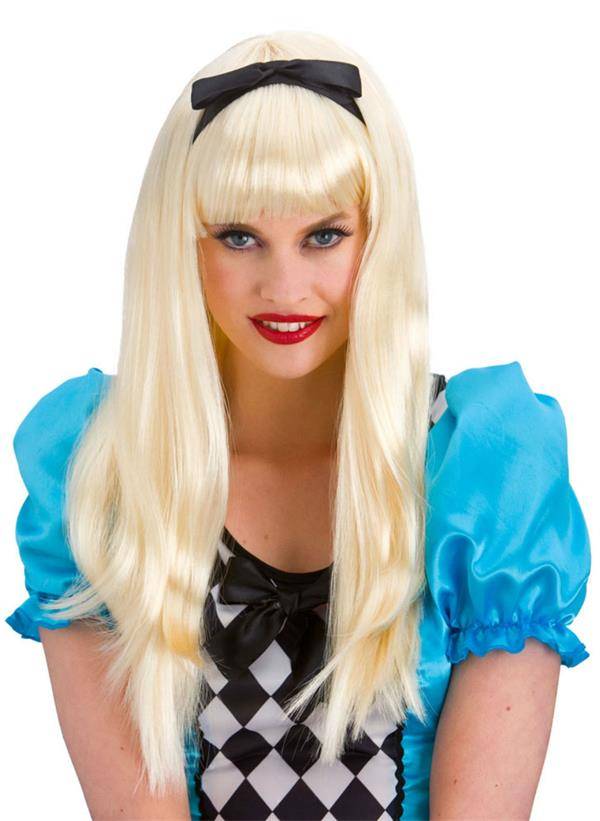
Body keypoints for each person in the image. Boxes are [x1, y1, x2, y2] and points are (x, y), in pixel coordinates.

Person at [6, 30, 591, 821]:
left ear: (379, 238)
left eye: (324, 235)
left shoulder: (483, 476)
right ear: (181, 246)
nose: (284, 287)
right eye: (238, 236)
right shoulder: (104, 474)